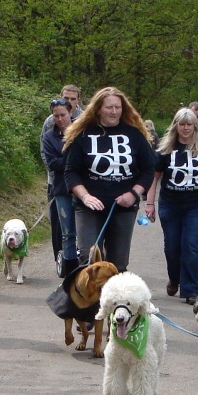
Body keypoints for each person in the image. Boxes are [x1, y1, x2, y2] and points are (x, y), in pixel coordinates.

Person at [63, 86, 155, 273]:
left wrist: (134, 194)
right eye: (109, 107)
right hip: (89, 206)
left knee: (118, 264)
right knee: (88, 258)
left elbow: (148, 170)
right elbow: (70, 172)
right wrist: (85, 196)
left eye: (118, 107)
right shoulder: (83, 135)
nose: (114, 112)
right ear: (98, 109)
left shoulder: (134, 134)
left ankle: (113, 299)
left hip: (122, 207)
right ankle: (89, 300)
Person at [145, 108, 198, 304]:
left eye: (189, 124)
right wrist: (149, 203)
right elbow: (154, 178)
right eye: (182, 124)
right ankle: (175, 278)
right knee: (172, 247)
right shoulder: (165, 151)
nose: (186, 128)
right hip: (170, 204)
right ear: (176, 126)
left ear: (195, 126)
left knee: (190, 246)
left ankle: (191, 291)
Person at [40, 85, 83, 262]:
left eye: (73, 99)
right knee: (61, 228)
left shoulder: (84, 121)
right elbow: (46, 154)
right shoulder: (50, 125)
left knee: (84, 227)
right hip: (57, 183)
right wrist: (67, 164)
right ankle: (63, 262)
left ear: (78, 100)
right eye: (67, 98)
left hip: (83, 184)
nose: (60, 118)